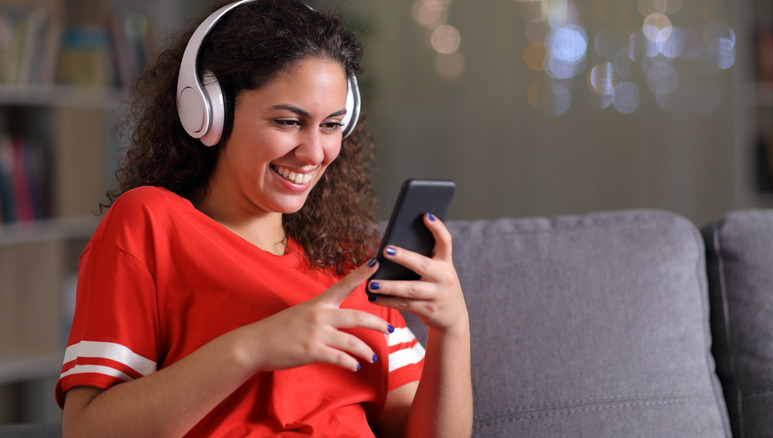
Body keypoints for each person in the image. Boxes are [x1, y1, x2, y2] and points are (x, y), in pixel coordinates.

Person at [56, 0, 472, 436]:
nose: (314, 153)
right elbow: (88, 430)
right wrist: (252, 347)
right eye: (289, 121)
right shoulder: (150, 223)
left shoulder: (350, 266)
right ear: (209, 112)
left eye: (331, 125)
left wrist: (452, 328)